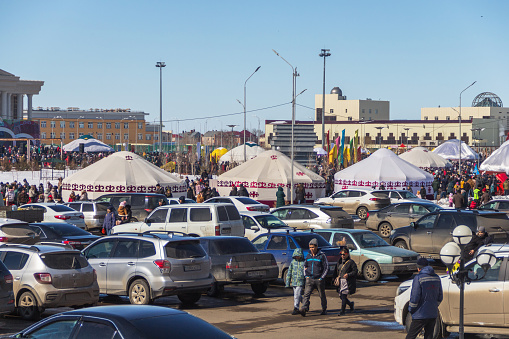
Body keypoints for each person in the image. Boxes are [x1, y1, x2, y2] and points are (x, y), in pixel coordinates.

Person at [406, 258, 443, 339]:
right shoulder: (437, 277)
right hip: (432, 313)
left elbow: (415, 297)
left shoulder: (418, 278)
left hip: (420, 314)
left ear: (419, 268)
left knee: (410, 336)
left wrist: (411, 309)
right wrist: (434, 306)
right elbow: (440, 296)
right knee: (429, 336)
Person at [300, 238, 329, 317]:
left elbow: (326, 267)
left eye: (313, 247)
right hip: (309, 278)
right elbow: (305, 266)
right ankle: (304, 308)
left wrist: (321, 278)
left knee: (321, 295)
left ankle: (324, 309)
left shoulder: (322, 256)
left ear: (316, 247)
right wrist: (306, 276)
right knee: (306, 294)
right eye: (310, 247)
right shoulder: (308, 255)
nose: (311, 249)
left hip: (319, 279)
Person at [333, 247, 357, 316]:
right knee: (341, 297)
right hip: (340, 281)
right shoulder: (339, 262)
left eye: (344, 254)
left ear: (347, 254)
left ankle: (342, 311)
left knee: (343, 296)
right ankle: (350, 304)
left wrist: (348, 275)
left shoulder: (351, 262)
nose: (342, 256)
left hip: (347, 282)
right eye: (341, 254)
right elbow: (336, 271)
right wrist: (334, 279)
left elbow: (355, 271)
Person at [285, 248, 305, 315]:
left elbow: (306, 272)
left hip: (300, 282)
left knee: (297, 294)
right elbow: (289, 272)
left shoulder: (304, 262)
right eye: (296, 256)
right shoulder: (293, 262)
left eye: (298, 255)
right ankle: (305, 302)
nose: (297, 257)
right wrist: (287, 282)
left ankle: (296, 308)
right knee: (297, 295)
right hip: (294, 282)